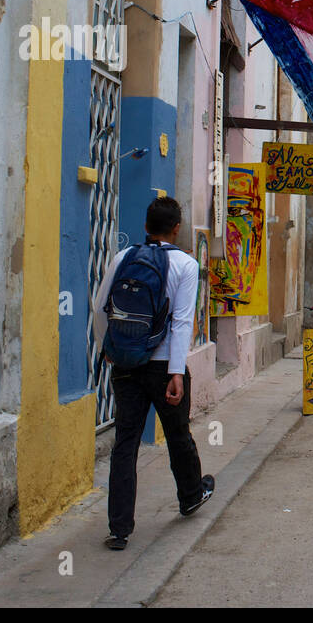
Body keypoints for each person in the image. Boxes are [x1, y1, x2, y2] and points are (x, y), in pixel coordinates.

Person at [91, 196, 214, 550]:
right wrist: (176, 372)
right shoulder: (186, 265)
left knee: (125, 443)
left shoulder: (122, 257)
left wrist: (110, 348)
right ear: (176, 229)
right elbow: (180, 323)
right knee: (178, 434)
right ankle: (190, 496)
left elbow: (102, 308)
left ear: (146, 226)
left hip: (127, 364)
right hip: (163, 367)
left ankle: (119, 529)